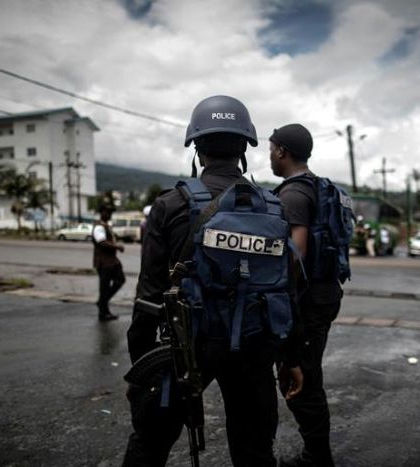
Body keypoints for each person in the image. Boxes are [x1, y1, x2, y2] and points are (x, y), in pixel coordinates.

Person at [123, 95, 302, 467]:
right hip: (255, 346)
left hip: (187, 346)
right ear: (244, 148)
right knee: (254, 452)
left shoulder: (170, 205)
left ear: (197, 148)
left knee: (150, 445)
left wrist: (142, 364)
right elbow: (287, 289)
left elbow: (149, 295)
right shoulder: (273, 208)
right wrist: (290, 357)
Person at [270, 123, 343, 467]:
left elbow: (295, 256)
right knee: (305, 375)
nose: (269, 155)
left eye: (271, 148)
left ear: (282, 151)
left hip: (307, 300)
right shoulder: (318, 186)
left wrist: (281, 302)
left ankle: (317, 458)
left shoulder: (293, 194)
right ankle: (317, 454)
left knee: (302, 380)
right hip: (324, 292)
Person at [92, 203, 125, 321]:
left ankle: (102, 302)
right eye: (108, 212)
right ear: (102, 213)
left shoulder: (106, 226)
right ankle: (103, 312)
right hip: (104, 262)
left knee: (120, 279)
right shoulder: (99, 227)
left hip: (112, 261)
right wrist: (117, 247)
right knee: (104, 287)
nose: (110, 214)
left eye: (111, 212)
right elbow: (102, 242)